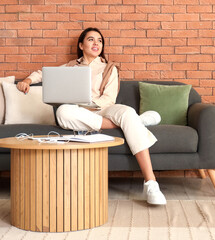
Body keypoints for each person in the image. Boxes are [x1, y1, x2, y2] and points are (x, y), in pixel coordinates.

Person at [16, 27, 166, 205]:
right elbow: (44, 74)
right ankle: (135, 122)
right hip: (78, 113)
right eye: (91, 40)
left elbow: (109, 99)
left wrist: (90, 107)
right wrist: (27, 81)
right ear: (81, 44)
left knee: (126, 112)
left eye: (100, 40)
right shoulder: (71, 66)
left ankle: (151, 183)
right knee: (63, 112)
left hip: (103, 109)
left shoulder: (109, 68)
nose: (96, 43)